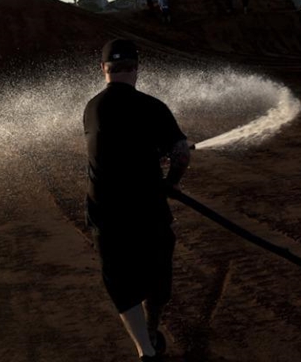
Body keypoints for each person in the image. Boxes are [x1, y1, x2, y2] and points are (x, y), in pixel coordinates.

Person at [83, 39, 191, 361]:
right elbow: (181, 154)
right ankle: (152, 326)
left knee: (120, 281)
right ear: (136, 69)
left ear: (104, 69)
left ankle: (145, 349)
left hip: (106, 212)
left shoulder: (91, 108)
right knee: (157, 280)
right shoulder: (153, 107)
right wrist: (169, 184)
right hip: (148, 211)